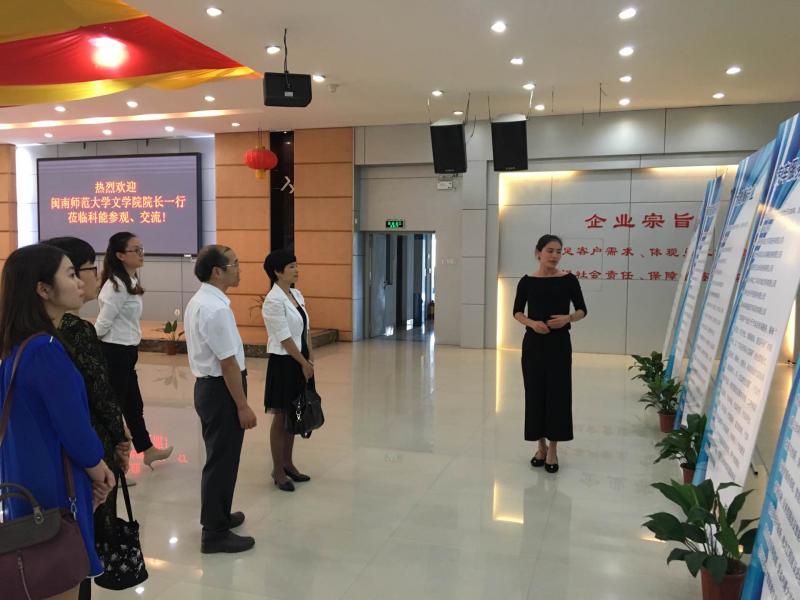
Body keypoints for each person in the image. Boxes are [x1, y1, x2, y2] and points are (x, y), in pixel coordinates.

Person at [0, 244, 116, 600]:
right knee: (56, 573)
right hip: (55, 483)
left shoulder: (17, 347)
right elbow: (74, 428)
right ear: (43, 289)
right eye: (70, 274)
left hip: (25, 476)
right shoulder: (46, 350)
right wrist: (99, 470)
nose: (80, 282)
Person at [44, 237, 133, 599]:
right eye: (86, 269)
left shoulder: (30, 332)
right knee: (81, 542)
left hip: (57, 457)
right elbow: (99, 395)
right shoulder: (72, 332)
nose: (95, 277)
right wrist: (120, 440)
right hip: (88, 452)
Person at [184, 245, 257, 553]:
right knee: (222, 462)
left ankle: (219, 516)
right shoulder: (215, 309)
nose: (239, 269)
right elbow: (228, 363)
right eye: (234, 264)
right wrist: (243, 405)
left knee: (222, 458)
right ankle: (214, 533)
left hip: (211, 388)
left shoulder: (202, 301)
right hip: (221, 391)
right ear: (217, 271)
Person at [95, 231, 172, 468]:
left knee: (133, 405)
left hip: (127, 351)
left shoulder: (130, 281)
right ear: (120, 255)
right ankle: (110, 464)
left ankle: (147, 449)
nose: (141, 254)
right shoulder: (116, 287)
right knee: (114, 409)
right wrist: (89, 347)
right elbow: (103, 323)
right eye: (135, 250)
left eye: (142, 249)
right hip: (114, 352)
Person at [513, 234, 587, 473]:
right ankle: (540, 446)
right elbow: (517, 312)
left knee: (558, 395)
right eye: (550, 251)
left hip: (559, 345)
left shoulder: (569, 280)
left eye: (558, 251)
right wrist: (532, 323)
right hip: (533, 344)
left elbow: (582, 310)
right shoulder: (526, 281)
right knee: (535, 393)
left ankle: (553, 449)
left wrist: (568, 318)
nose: (555, 255)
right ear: (538, 252)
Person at [262, 250, 313, 492]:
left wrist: (310, 359)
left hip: (300, 361)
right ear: (277, 272)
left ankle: (288, 463)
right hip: (284, 363)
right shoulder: (273, 300)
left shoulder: (296, 294)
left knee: (294, 414)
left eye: (296, 265)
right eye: (291, 266)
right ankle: (277, 470)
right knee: (281, 416)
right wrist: (303, 362)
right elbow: (284, 338)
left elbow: (306, 330)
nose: (296, 269)